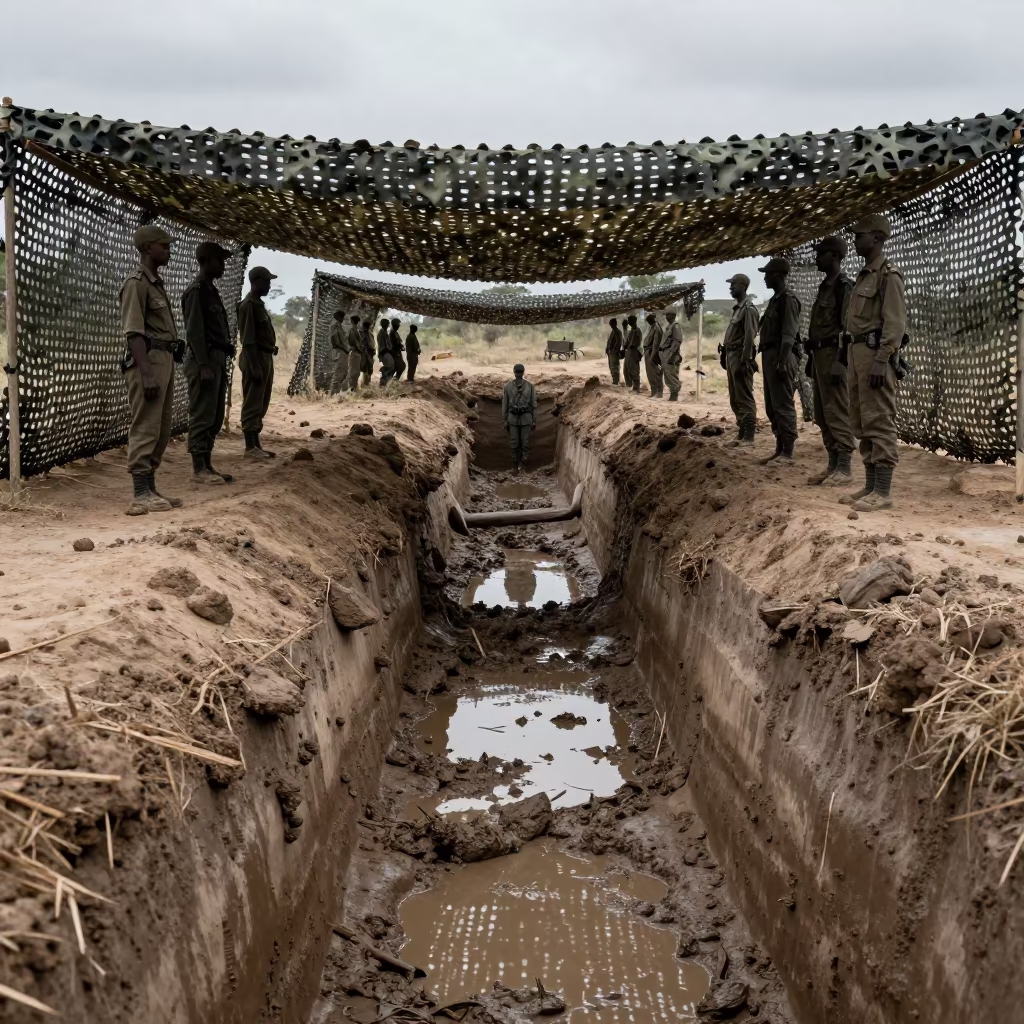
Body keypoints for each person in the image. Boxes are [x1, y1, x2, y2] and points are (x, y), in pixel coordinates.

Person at [839, 213, 907, 512]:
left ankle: (883, 491)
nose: (855, 240)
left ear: (876, 238)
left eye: (859, 235)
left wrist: (882, 359)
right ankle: (869, 484)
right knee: (861, 419)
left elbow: (895, 323)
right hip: (857, 355)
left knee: (879, 418)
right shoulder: (864, 274)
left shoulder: (887, 275)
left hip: (875, 356)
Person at [119, 224, 184, 515]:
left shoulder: (155, 282)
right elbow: (133, 332)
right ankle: (139, 493)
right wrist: (145, 372)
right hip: (148, 361)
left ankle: (150, 487)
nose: (169, 251)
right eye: (164, 246)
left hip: (163, 359)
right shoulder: (137, 283)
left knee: (161, 426)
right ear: (148, 249)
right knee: (146, 424)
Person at [181, 240, 235, 486]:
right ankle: (198, 469)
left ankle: (207, 464)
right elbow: (194, 332)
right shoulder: (197, 291)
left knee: (214, 416)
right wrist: (203, 365)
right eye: (220, 260)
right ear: (207, 261)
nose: (223, 265)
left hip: (216, 358)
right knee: (202, 413)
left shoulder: (211, 291)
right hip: (204, 359)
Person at [806, 236, 855, 486]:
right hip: (819, 356)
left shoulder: (843, 286)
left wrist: (841, 361)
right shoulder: (825, 286)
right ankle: (833, 463)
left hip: (833, 356)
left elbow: (848, 329)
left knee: (836, 410)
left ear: (835, 256)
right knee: (823, 413)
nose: (817, 258)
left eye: (822, 253)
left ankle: (844, 467)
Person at [757, 257, 801, 463]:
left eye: (769, 274)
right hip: (770, 355)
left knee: (783, 404)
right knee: (772, 405)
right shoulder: (775, 300)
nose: (765, 278)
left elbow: (788, 335)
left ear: (781, 275)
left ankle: (788, 451)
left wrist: (783, 361)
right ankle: (779, 447)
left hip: (781, 356)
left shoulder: (788, 300)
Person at [237, 265, 279, 458]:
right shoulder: (248, 306)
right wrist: (254, 366)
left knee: (261, 401)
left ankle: (256, 444)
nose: (269, 286)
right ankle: (250, 447)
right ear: (257, 282)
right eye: (267, 281)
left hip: (264, 356)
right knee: (253, 401)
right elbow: (248, 339)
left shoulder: (258, 305)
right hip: (255, 358)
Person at [720, 273, 759, 445]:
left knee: (744, 396)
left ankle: (749, 436)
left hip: (740, 357)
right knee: (735, 397)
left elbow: (750, 336)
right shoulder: (738, 309)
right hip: (731, 356)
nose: (730, 288)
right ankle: (742, 432)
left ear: (743, 286)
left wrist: (745, 360)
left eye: (733, 284)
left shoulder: (748, 309)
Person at [501, 363, 538, 473]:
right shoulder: (507, 387)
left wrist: (534, 420)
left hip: (526, 417)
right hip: (513, 418)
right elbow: (505, 405)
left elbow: (534, 404)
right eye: (517, 372)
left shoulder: (530, 386)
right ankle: (514, 466)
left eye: (520, 372)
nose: (518, 374)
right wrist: (505, 420)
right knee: (514, 443)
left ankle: (524, 466)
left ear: (523, 373)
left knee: (525, 442)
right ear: (514, 372)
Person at [659, 310, 683, 401]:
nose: (666, 317)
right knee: (667, 373)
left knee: (670, 373)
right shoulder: (669, 326)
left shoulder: (675, 326)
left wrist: (672, 354)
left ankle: (675, 392)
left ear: (672, 316)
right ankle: (673, 391)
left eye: (667, 315)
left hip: (671, 352)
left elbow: (677, 341)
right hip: (666, 352)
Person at [329, 309, 351, 394]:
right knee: (339, 373)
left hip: (343, 351)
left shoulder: (339, 326)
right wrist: (345, 348)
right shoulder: (334, 326)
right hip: (339, 351)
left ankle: (336, 392)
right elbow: (335, 340)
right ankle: (332, 394)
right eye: (341, 317)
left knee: (344, 372)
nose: (342, 319)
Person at [642, 313, 664, 398]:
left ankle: (658, 392)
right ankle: (654, 391)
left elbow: (656, 345)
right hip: (649, 352)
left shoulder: (657, 329)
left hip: (653, 353)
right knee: (650, 373)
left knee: (656, 373)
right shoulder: (652, 328)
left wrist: (652, 356)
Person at [622, 314, 642, 392]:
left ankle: (637, 387)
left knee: (634, 369)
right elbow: (627, 341)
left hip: (634, 351)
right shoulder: (632, 331)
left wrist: (629, 345)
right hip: (629, 351)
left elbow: (637, 343)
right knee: (627, 370)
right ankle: (633, 386)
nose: (629, 323)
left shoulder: (637, 330)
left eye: (630, 321)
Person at [606, 318, 625, 385]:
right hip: (611, 352)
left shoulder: (617, 331)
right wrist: (607, 349)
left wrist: (614, 350)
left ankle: (616, 381)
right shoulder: (613, 331)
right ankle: (615, 380)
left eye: (612, 324)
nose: (611, 325)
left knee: (614, 367)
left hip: (614, 353)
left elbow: (618, 342)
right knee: (612, 367)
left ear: (615, 323)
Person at [346, 314, 363, 392]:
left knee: (356, 372)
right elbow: (353, 342)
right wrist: (359, 348)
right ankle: (351, 389)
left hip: (357, 353)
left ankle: (354, 389)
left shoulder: (356, 330)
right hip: (355, 352)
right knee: (353, 372)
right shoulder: (352, 330)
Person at [377, 317, 394, 386]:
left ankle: (384, 382)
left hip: (386, 352)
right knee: (390, 366)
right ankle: (383, 374)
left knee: (391, 366)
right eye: (387, 324)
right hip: (384, 352)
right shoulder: (382, 333)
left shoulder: (384, 332)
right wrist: (388, 349)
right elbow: (383, 345)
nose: (387, 325)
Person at [360, 320, 374, 385]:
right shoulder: (360, 333)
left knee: (369, 369)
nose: (367, 328)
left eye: (368, 326)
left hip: (370, 354)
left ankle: (367, 383)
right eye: (366, 326)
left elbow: (372, 344)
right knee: (363, 368)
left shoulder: (371, 334)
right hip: (363, 353)